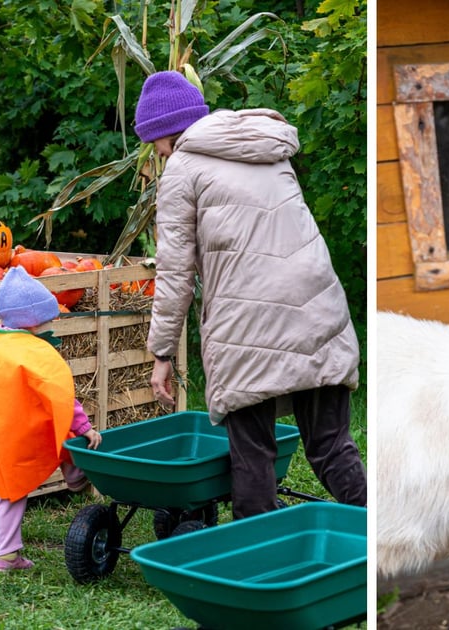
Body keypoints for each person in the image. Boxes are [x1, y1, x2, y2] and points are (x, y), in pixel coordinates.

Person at [135, 70, 367, 519]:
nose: (157, 153)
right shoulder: (267, 147)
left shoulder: (182, 169)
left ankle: (257, 562)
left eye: (154, 142)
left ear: (165, 131)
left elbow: (175, 272)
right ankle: (381, 538)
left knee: (253, 454)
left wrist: (162, 352)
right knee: (332, 448)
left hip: (247, 321)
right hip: (319, 305)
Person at [0, 266, 102, 572]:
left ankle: (7, 555)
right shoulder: (34, 351)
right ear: (33, 321)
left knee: (10, 491)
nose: (51, 324)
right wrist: (84, 427)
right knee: (62, 445)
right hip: (23, 432)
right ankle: (75, 478)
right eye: (47, 318)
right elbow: (61, 396)